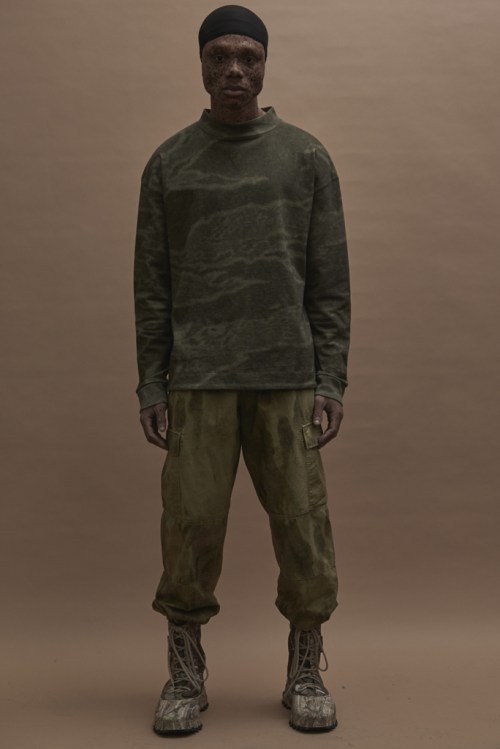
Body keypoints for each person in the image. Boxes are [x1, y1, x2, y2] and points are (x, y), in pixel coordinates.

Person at [133, 4, 351, 737]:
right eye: (220, 56)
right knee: (190, 526)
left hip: (287, 375)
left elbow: (329, 280)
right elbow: (152, 285)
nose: (234, 70)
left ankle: (306, 669)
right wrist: (152, 381)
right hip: (198, 379)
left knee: (303, 525)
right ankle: (184, 671)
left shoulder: (306, 157)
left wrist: (331, 378)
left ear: (264, 65)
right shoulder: (169, 163)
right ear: (201, 64)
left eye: (248, 57)